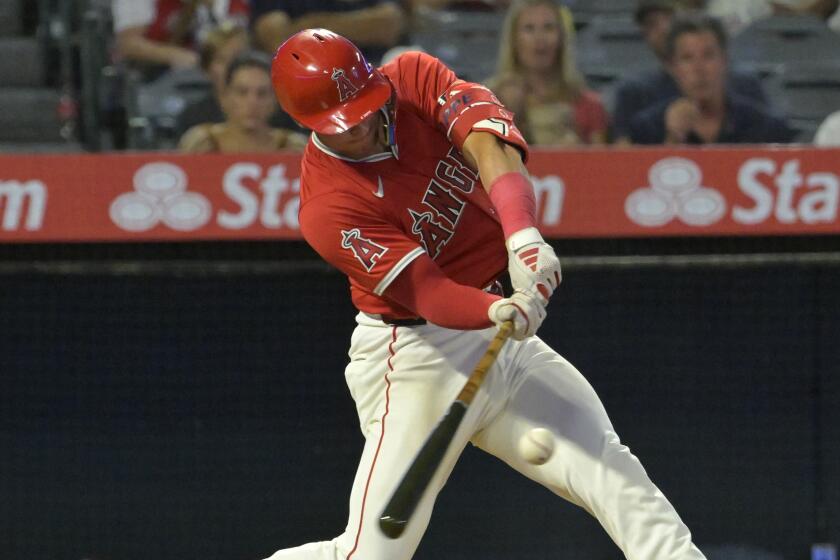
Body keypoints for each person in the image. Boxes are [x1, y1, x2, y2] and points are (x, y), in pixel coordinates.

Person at [263, 28, 707, 560]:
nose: (362, 126)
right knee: (375, 553)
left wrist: (522, 238)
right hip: (417, 356)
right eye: (344, 124)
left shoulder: (410, 77)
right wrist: (496, 306)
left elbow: (487, 144)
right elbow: (426, 292)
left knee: (611, 470)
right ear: (304, 123)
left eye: (364, 108)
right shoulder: (327, 206)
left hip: (502, 334)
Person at [612, 0, 769, 143]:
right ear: (674, 65)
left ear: (724, 59)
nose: (698, 69)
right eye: (651, 24)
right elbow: (628, 166)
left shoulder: (749, 93)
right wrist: (673, 138)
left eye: (708, 55)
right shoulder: (644, 118)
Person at [486, 0, 609, 146]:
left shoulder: (589, 104)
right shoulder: (489, 100)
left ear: (562, 38)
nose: (540, 38)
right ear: (514, 39)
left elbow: (601, 163)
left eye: (549, 28)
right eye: (529, 28)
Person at [175, 23, 298, 138]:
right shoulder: (193, 118)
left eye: (238, 57)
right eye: (221, 59)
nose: (231, 66)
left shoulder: (285, 121)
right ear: (207, 67)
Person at [179, 51, 307, 152]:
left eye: (262, 94)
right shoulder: (200, 142)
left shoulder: (294, 147)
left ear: (275, 100)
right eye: (242, 92)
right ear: (225, 97)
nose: (252, 102)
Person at [112, 0, 250, 72]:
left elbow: (236, 33)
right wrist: (175, 55)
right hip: (157, 73)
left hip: (215, 64)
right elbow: (128, 44)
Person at [250, 0, 406, 63]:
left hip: (369, 75)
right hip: (306, 78)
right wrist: (359, 26)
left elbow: (389, 25)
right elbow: (277, 39)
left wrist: (312, 25)